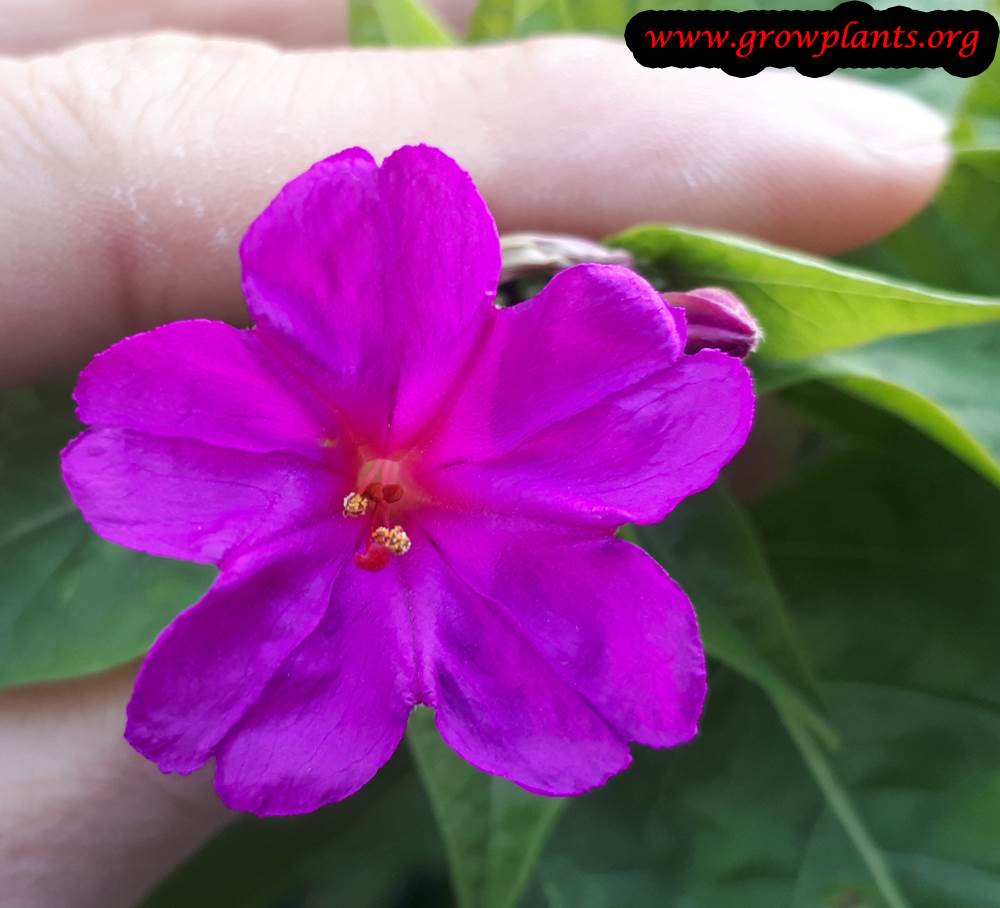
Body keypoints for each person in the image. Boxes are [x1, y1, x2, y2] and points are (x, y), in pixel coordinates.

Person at [0, 2, 950, 905]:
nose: (379, 495)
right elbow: (161, 434)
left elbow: (609, 418)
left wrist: (644, 327)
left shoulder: (416, 502)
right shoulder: (352, 502)